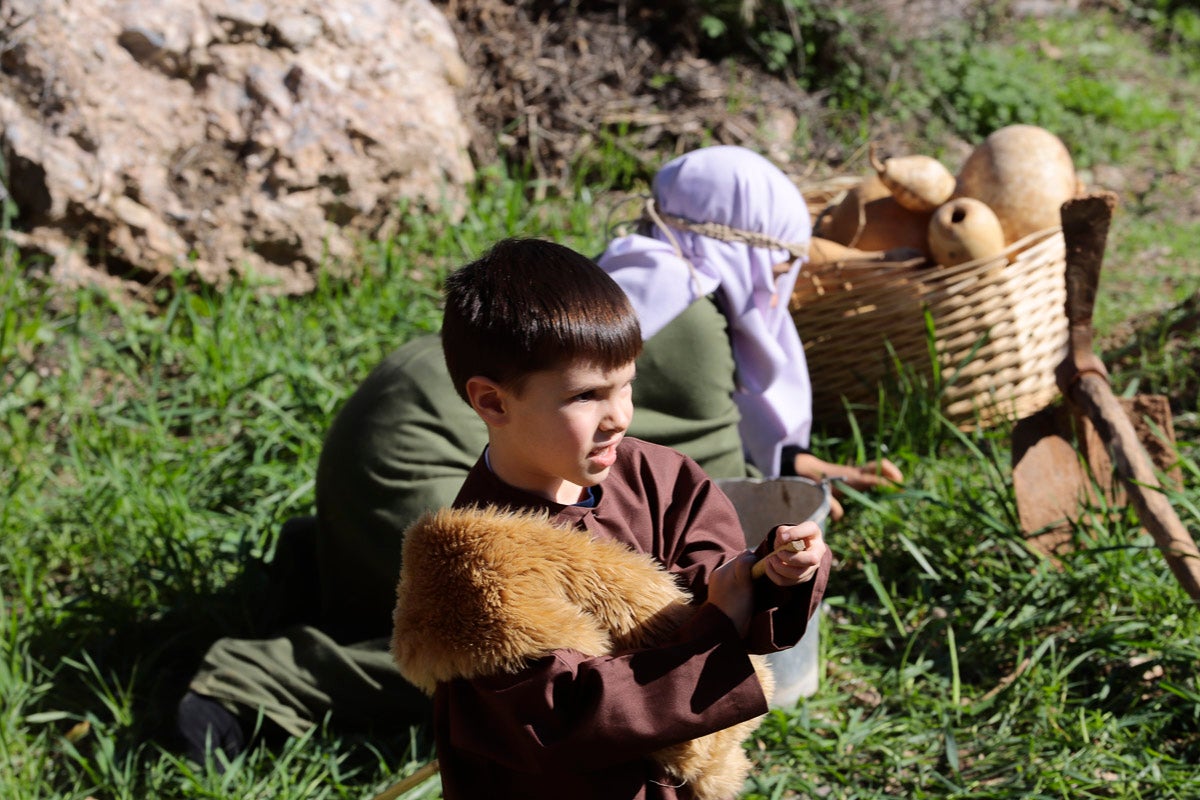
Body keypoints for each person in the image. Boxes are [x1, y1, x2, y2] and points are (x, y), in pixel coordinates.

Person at [176, 145, 900, 766]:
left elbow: (667, 451)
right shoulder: (696, 323)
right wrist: (740, 589)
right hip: (415, 458)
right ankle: (259, 680)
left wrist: (792, 480)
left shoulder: (630, 278)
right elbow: (711, 478)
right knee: (486, 662)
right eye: (783, 263)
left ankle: (321, 564)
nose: (787, 285)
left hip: (389, 430)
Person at [403, 237, 831, 799]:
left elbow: (713, 579)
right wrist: (716, 628)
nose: (620, 416)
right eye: (587, 396)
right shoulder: (473, 567)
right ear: (493, 402)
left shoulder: (660, 477)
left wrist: (773, 575)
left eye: (627, 383)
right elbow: (569, 715)